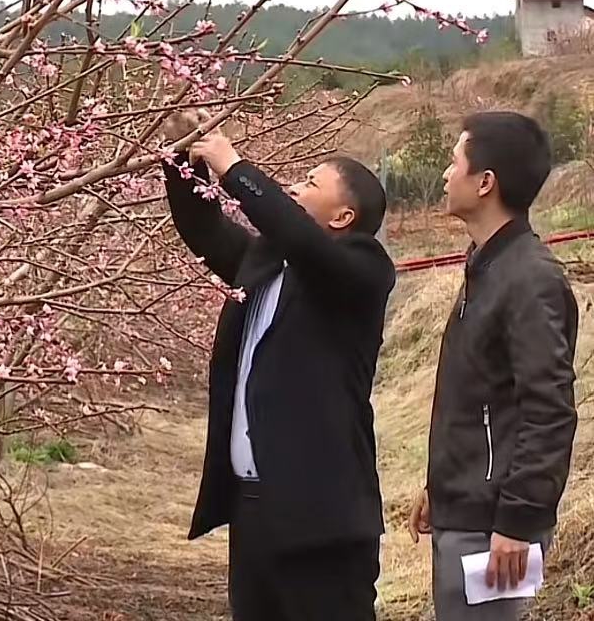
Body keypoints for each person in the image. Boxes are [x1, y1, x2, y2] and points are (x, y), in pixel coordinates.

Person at [161, 109, 396, 621]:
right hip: (254, 511)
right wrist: (184, 157)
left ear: (342, 217)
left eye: (310, 183)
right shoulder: (265, 265)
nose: (293, 188)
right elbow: (205, 229)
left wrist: (235, 168)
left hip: (322, 519)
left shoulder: (362, 271)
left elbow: (304, 241)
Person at [408, 111, 579, 620]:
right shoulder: (486, 264)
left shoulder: (529, 279)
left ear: (485, 182)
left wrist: (519, 520)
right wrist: (441, 484)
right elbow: (482, 396)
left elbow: (548, 410)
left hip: (497, 528)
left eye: (454, 161)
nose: (445, 174)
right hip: (467, 510)